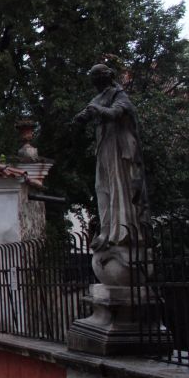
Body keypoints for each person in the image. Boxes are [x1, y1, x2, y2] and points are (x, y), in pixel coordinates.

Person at [72, 64, 150, 252]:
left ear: (104, 77)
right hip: (104, 146)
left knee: (118, 186)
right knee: (102, 188)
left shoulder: (119, 95)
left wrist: (96, 110)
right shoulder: (98, 98)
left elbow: (115, 113)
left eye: (95, 77)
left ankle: (122, 231)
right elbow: (83, 117)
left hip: (119, 148)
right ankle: (106, 231)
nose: (93, 81)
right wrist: (80, 118)